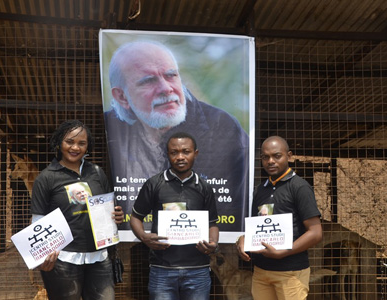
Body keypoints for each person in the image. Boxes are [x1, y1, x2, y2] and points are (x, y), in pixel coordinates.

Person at [104, 41, 249, 231]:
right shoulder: (109, 130)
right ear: (122, 97)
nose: (166, 88)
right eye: (148, 80)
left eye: (171, 75)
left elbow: (240, 203)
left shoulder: (223, 127)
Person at [30, 120, 124, 300]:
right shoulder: (47, 178)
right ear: (59, 143)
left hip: (99, 258)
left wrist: (115, 216)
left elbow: (106, 207)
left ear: (88, 146)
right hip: (63, 260)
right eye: (69, 142)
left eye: (82, 143)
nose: (75, 147)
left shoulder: (96, 172)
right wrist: (41, 256)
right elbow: (38, 221)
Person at [130, 132, 219, 300]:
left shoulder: (204, 187)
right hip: (162, 270)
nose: (180, 157)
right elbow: (135, 217)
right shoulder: (154, 184)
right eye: (174, 152)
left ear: (196, 153)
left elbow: (212, 223)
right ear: (167, 154)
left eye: (186, 151)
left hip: (198, 270)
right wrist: (143, 237)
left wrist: (213, 244)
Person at [236, 136, 322, 300]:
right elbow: (258, 228)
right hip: (261, 272)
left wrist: (284, 251)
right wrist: (243, 239)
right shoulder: (261, 190)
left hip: (290, 273)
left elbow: (316, 232)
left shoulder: (299, 187)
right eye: (265, 157)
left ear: (289, 156)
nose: (270, 161)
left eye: (277, 156)